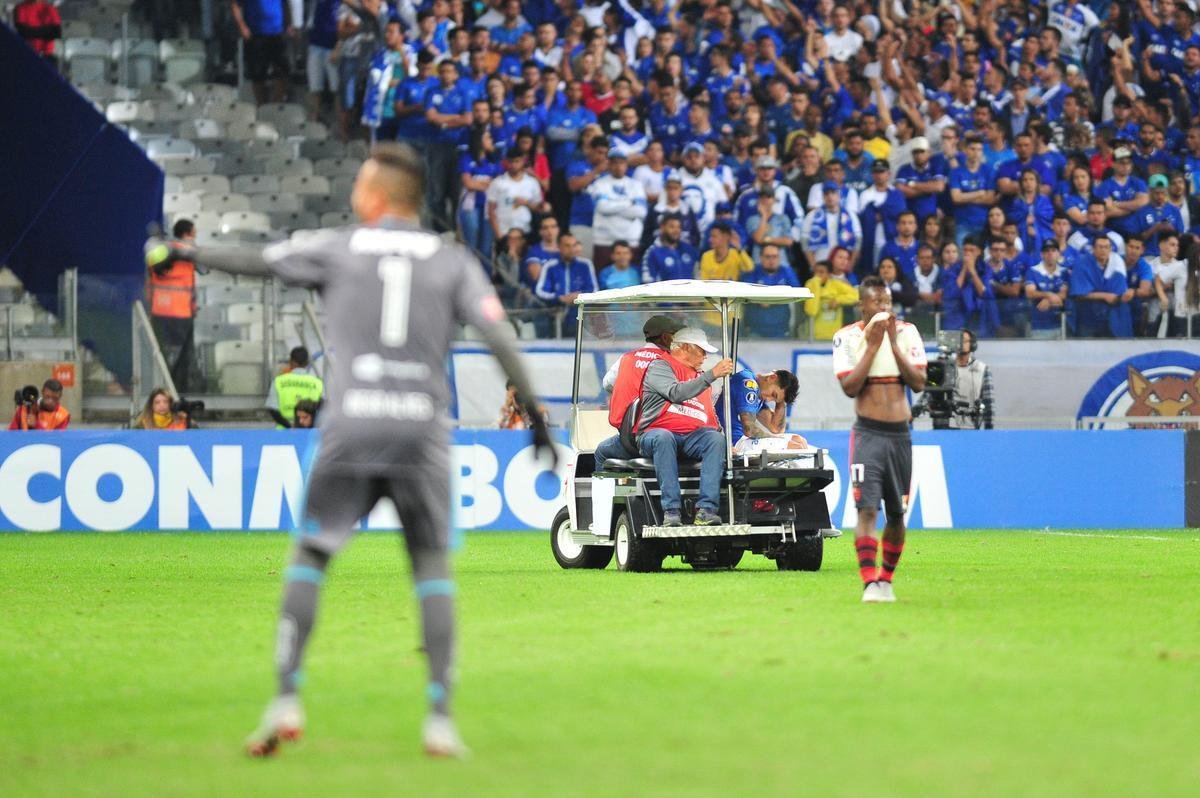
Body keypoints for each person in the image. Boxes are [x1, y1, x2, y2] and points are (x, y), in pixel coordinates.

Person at [145, 142, 550, 759]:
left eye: (361, 183)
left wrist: (188, 252)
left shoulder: (339, 245)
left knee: (310, 555)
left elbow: (258, 261)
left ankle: (285, 698)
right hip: (421, 429)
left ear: (377, 195)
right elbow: (496, 332)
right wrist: (538, 418)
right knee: (432, 568)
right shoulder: (451, 260)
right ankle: (439, 718)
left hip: (352, 425)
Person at [832, 275, 927, 603]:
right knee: (867, 510)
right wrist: (873, 345)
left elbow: (918, 382)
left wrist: (892, 345)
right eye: (877, 303)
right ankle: (869, 582)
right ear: (863, 304)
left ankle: (886, 579)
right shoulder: (847, 338)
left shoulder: (907, 332)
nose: (884, 309)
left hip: (900, 435)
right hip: (868, 434)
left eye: (887, 302)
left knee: (897, 514)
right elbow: (850, 387)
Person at [636, 327, 735, 527]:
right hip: (653, 434)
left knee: (715, 439)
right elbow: (675, 393)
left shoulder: (697, 376)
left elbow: (708, 415)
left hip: (690, 437)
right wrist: (712, 374)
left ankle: (706, 510)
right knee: (664, 438)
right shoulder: (660, 367)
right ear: (682, 348)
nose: (705, 356)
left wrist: (724, 440)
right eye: (701, 350)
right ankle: (671, 511)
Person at [594, 315, 683, 468]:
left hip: (632, 440)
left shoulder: (626, 358)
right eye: (676, 335)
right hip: (668, 436)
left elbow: (608, 384)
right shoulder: (675, 362)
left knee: (601, 452)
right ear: (666, 337)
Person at [147, 219, 199, 393]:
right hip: (181, 313)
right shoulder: (188, 252)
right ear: (186, 234)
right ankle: (177, 393)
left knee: (159, 355)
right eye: (193, 234)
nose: (195, 238)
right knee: (181, 359)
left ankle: (159, 393)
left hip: (160, 311)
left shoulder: (160, 250)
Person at [715, 368, 806, 448]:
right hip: (734, 442)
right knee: (793, 446)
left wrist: (782, 401)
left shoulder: (759, 394)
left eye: (774, 399)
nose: (768, 399)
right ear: (772, 377)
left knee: (799, 440)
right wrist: (776, 439)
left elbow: (776, 429)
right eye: (773, 394)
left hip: (742, 440)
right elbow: (749, 429)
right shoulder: (749, 385)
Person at [588, 149, 648, 268]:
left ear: (626, 164)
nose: (618, 166)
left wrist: (613, 205)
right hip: (604, 240)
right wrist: (629, 202)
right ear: (609, 164)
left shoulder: (636, 185)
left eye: (621, 162)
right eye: (614, 162)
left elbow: (641, 212)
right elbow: (602, 208)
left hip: (631, 241)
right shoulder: (599, 184)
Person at [230, 0, 294, 105]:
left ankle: (275, 105)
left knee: (283, 71)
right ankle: (261, 106)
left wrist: (289, 23)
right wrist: (242, 26)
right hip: (256, 33)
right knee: (258, 74)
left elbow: (286, 3)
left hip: (277, 32)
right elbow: (234, 4)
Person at [265, 347, 325, 429]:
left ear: (290, 361)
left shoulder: (278, 381)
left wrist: (290, 426)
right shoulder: (318, 383)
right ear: (307, 363)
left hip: (284, 432)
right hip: (308, 431)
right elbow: (324, 407)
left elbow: (273, 410)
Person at [949, 330, 994, 430]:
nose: (961, 343)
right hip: (945, 426)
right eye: (959, 340)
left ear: (972, 345)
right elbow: (930, 393)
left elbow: (989, 402)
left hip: (971, 427)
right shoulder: (945, 367)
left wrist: (989, 429)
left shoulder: (982, 369)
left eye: (964, 341)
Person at [803, 260, 859, 341]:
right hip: (813, 335)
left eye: (821, 272)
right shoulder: (810, 284)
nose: (817, 276)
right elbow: (812, 311)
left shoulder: (836, 285)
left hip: (833, 336)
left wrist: (838, 300)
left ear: (829, 275)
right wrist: (816, 286)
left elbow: (857, 295)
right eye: (815, 272)